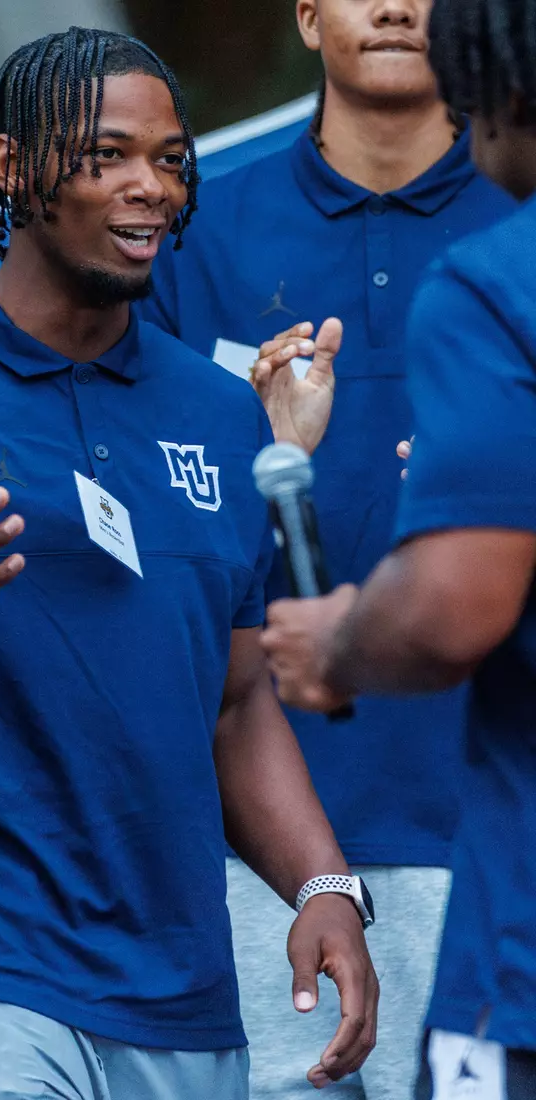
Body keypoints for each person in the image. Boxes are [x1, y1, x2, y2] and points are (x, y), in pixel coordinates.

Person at [0, 27, 378, 1100]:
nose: (148, 188)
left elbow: (237, 702)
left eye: (172, 161)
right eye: (106, 156)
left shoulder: (220, 414)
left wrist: (322, 885)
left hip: (184, 991)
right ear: (13, 168)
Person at [139, 2, 516, 1096]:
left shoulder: (520, 223)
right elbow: (147, 534)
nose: (395, 5)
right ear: (305, 16)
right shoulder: (190, 231)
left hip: (490, 827)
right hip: (254, 844)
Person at [260, 1, 536, 1096]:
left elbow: (451, 604)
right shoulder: (206, 228)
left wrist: (336, 636)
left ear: (499, 82)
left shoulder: (494, 278)